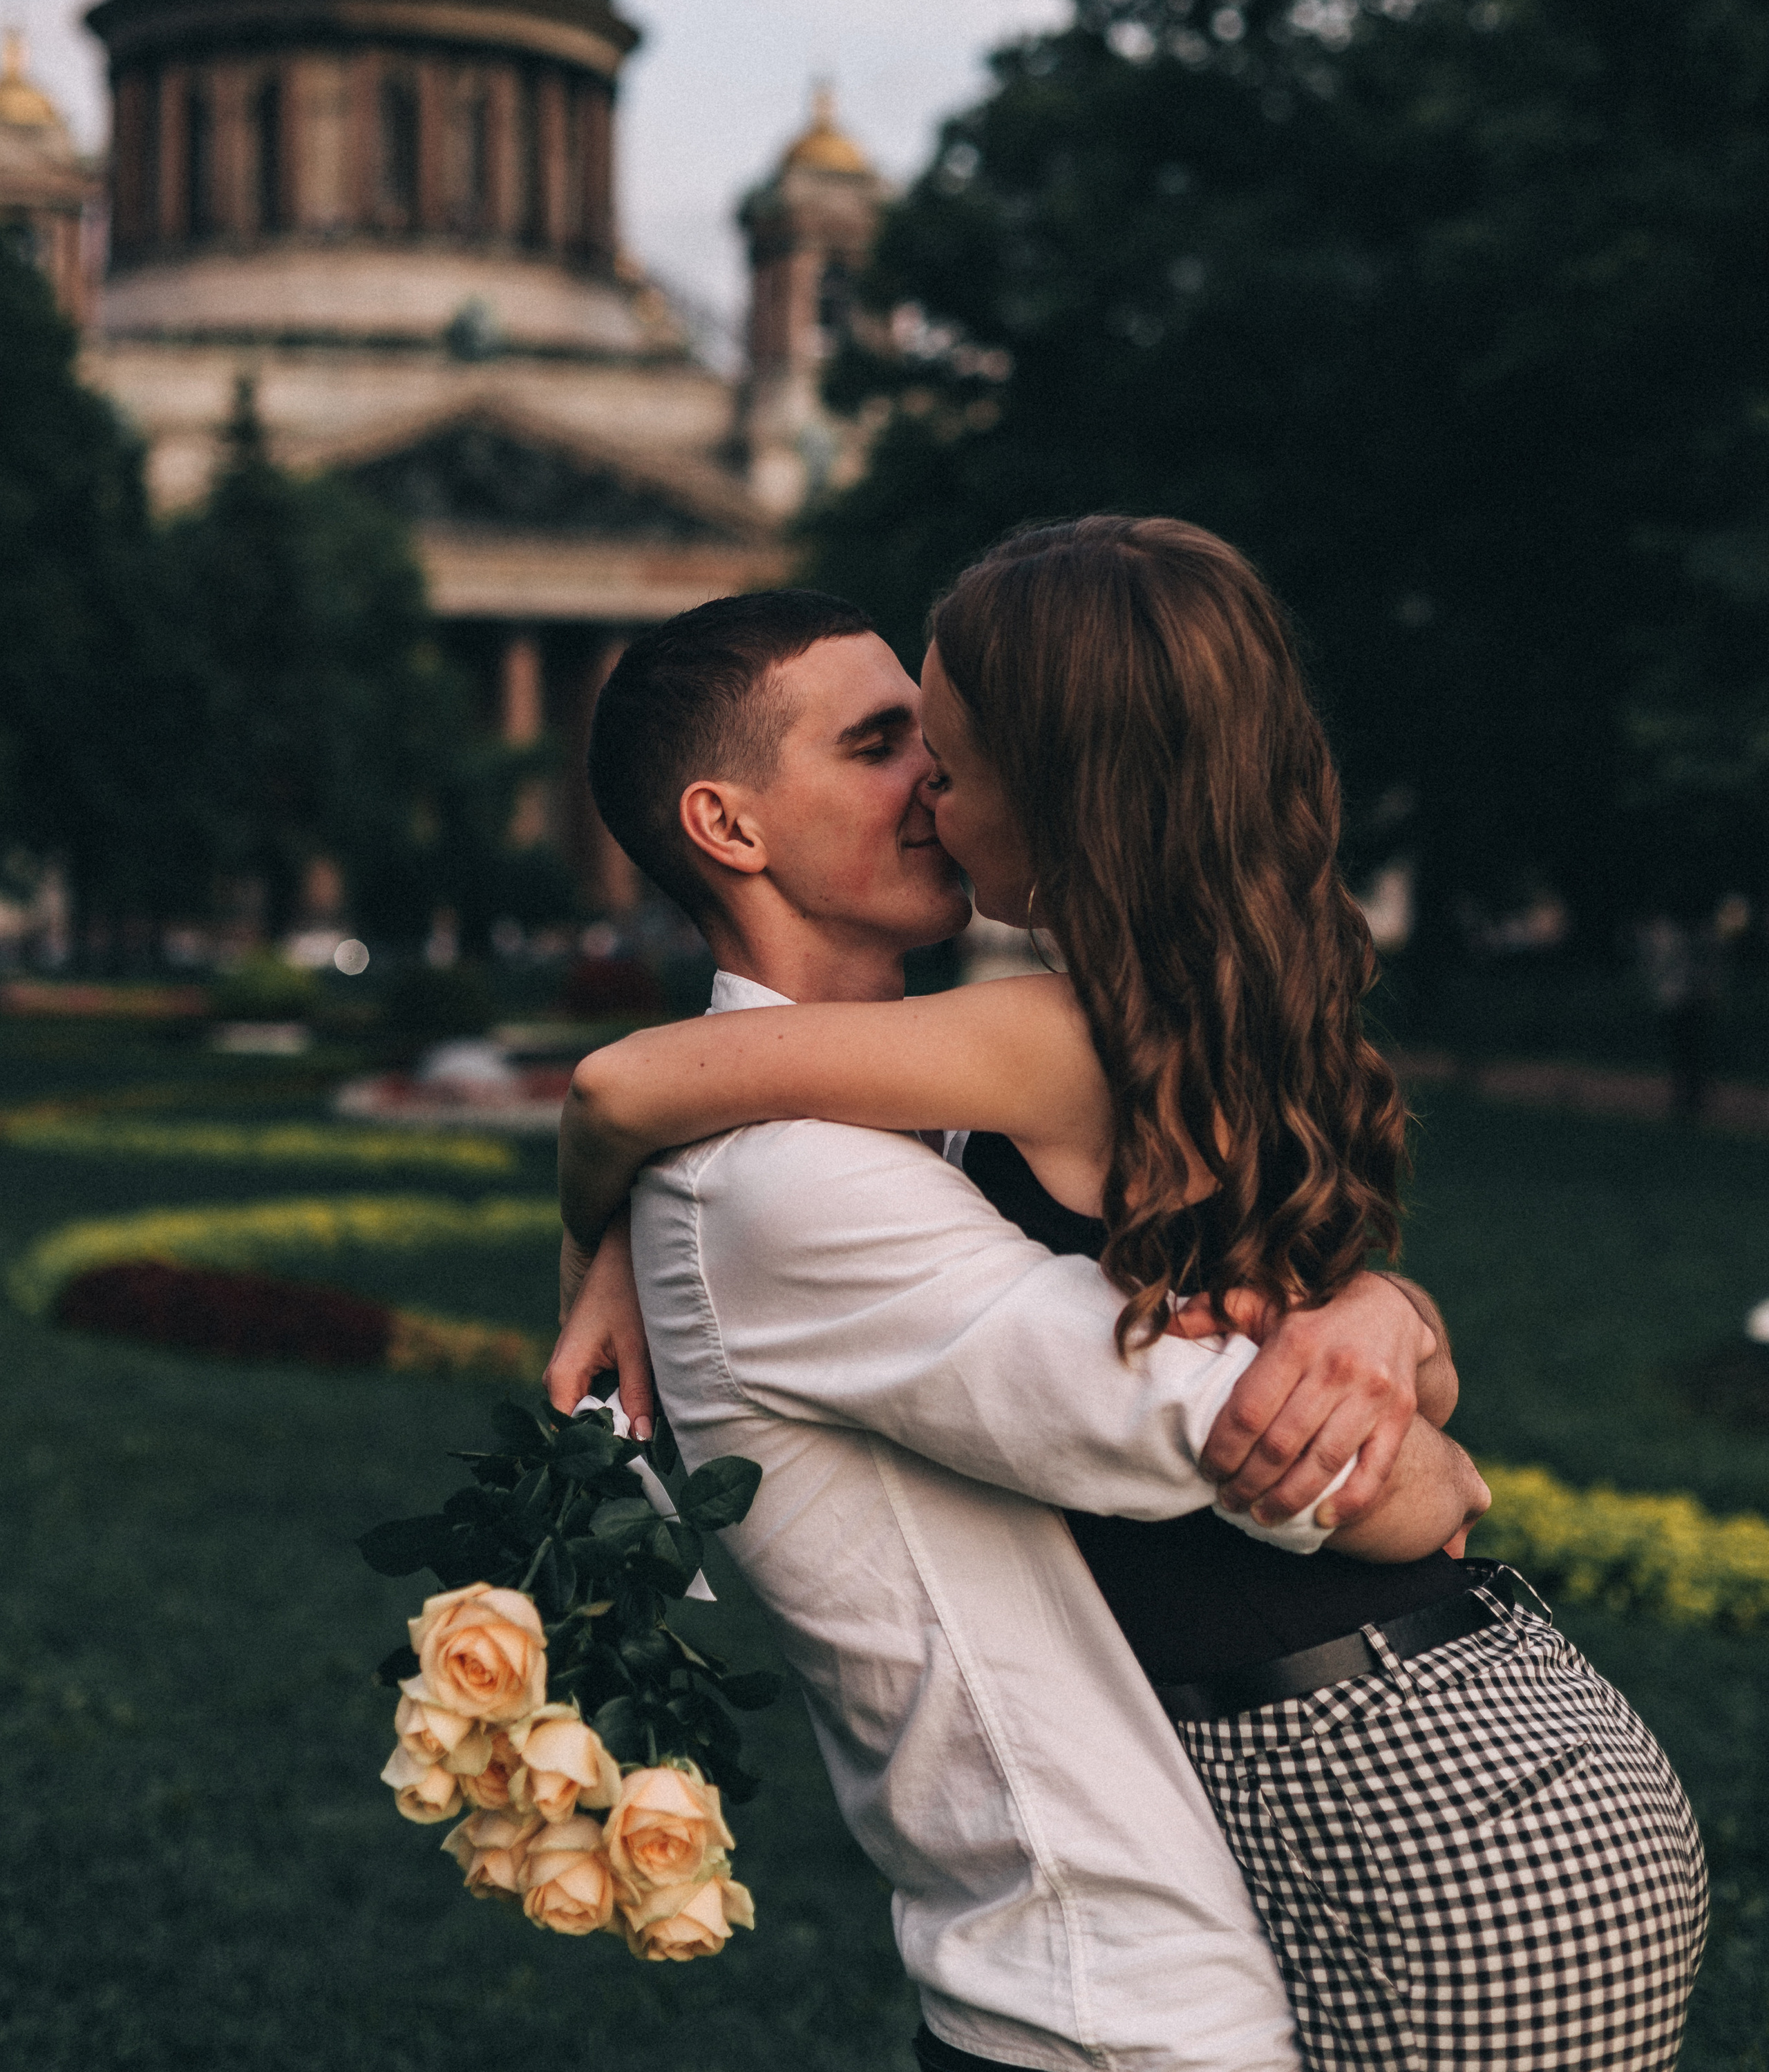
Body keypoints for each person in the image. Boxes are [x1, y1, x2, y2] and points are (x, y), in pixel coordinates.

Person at [552, 524, 1707, 2072]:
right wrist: (1414, 1409)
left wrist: (1388, 1339)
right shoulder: (876, 1131)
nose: (928, 789)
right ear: (727, 824)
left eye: (944, 749)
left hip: (1419, 1778)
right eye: (882, 743)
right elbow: (682, 1126)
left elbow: (632, 1087)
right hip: (1354, 1779)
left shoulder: (1024, 1042)